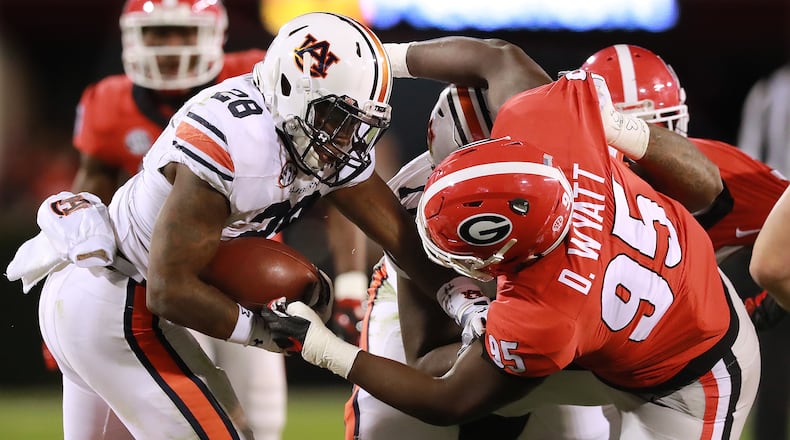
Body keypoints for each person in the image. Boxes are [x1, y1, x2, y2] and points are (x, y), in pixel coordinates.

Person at [259, 36, 760, 439]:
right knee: (392, 426)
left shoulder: (547, 310)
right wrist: (368, 62)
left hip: (686, 369)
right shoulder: (558, 127)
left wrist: (322, 348)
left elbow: (445, 393)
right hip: (631, 303)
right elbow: (494, 57)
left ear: (505, 256)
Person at [12, 12, 484, 439]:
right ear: (290, 94)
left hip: (122, 298)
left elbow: (400, 238)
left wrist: (464, 303)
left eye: (359, 122)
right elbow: (168, 288)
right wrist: (262, 330)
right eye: (338, 118)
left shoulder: (315, 132)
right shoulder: (234, 141)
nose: (349, 138)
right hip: (116, 298)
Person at [64, 1, 286, 438]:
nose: (168, 47)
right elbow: (86, 207)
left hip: (247, 265)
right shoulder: (108, 102)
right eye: (157, 34)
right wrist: (74, 306)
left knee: (262, 415)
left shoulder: (258, 79)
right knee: (197, 405)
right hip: (166, 273)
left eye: (181, 33)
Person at [581, 44, 789, 440]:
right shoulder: (563, 187)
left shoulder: (736, 183)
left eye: (653, 132)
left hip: (678, 369)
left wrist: (772, 299)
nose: (631, 160)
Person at [346, 84, 537, 440]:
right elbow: (423, 357)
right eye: (470, 183)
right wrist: (497, 340)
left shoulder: (574, 196)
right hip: (438, 305)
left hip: (538, 321)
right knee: (388, 426)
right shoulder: (412, 202)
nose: (487, 203)